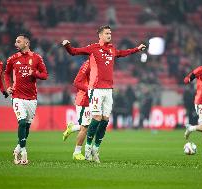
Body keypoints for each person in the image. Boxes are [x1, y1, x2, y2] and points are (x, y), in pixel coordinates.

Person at [62, 25, 146, 162]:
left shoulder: (112, 49)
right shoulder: (93, 48)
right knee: (96, 117)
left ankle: (96, 149)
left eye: (110, 33)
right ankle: (87, 148)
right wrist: (67, 45)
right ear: (100, 35)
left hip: (109, 89)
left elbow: (123, 53)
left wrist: (137, 49)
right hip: (96, 89)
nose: (109, 35)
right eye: (107, 33)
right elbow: (74, 52)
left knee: (105, 120)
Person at [5, 34, 48, 165]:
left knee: (27, 126)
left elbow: (45, 75)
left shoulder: (36, 58)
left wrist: (34, 73)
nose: (15, 44)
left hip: (32, 97)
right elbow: (6, 73)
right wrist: (8, 87)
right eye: (15, 41)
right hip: (17, 96)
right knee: (22, 122)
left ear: (26, 43)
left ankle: (18, 147)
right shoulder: (12, 58)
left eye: (18, 42)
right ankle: (23, 151)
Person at [63, 60, 91, 160]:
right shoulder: (88, 64)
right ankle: (77, 152)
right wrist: (89, 90)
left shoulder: (100, 65)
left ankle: (73, 128)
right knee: (86, 127)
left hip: (94, 100)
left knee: (93, 125)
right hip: (84, 100)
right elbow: (76, 82)